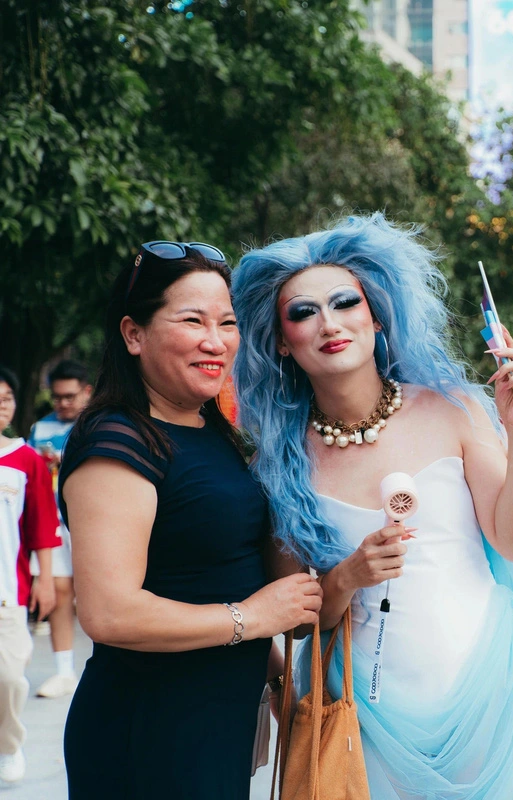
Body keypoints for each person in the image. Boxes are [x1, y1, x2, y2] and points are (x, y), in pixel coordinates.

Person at [231, 214, 513, 799]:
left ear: (375, 316)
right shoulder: (279, 465)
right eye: (303, 312)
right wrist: (349, 575)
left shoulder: (451, 409)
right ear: (281, 340)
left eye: (344, 302)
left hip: (487, 687)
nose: (329, 322)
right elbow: (300, 623)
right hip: (367, 716)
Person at [57, 242, 323, 798]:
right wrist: (251, 618)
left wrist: (274, 671)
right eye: (192, 320)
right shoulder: (119, 441)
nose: (216, 341)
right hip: (149, 730)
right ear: (134, 334)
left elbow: (212, 569)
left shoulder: (209, 431)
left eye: (227, 322)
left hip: (213, 725)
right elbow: (109, 612)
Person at [0, 366, 60, 784]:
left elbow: (42, 525)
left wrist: (45, 579)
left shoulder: (26, 461)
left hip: (8, 593)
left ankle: (9, 745)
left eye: (5, 399)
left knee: (8, 677)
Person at [27, 359, 93, 698]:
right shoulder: (41, 428)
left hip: (93, 520)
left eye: (70, 396)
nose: (63, 403)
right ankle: (64, 671)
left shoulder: (100, 423)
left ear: (87, 392)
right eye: (57, 397)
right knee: (60, 591)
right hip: (54, 519)